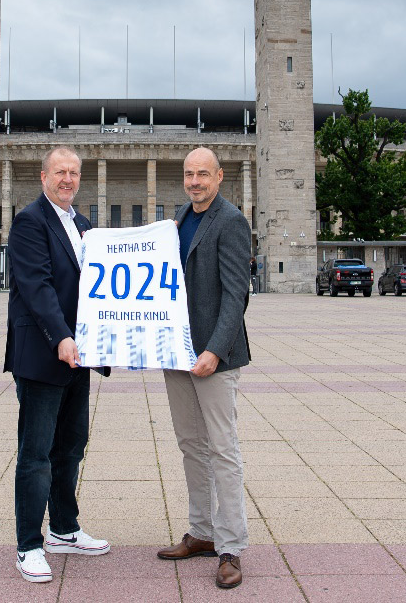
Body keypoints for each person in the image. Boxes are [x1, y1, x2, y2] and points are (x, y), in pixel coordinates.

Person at [4, 146, 110, 583]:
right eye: (59, 171)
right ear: (43, 176)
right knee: (37, 454)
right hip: (45, 355)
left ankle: (64, 529)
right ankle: (28, 544)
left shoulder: (83, 225)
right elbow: (37, 286)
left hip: (78, 358)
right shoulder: (31, 221)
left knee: (71, 447)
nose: (67, 179)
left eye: (73, 172)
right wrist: (61, 337)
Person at [157, 147, 251, 590]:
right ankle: (202, 532)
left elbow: (237, 295)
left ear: (219, 176)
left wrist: (214, 349)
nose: (195, 181)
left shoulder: (230, 221)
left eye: (203, 174)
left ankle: (231, 546)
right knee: (190, 445)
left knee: (223, 449)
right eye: (189, 174)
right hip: (177, 353)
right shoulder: (178, 218)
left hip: (214, 356)